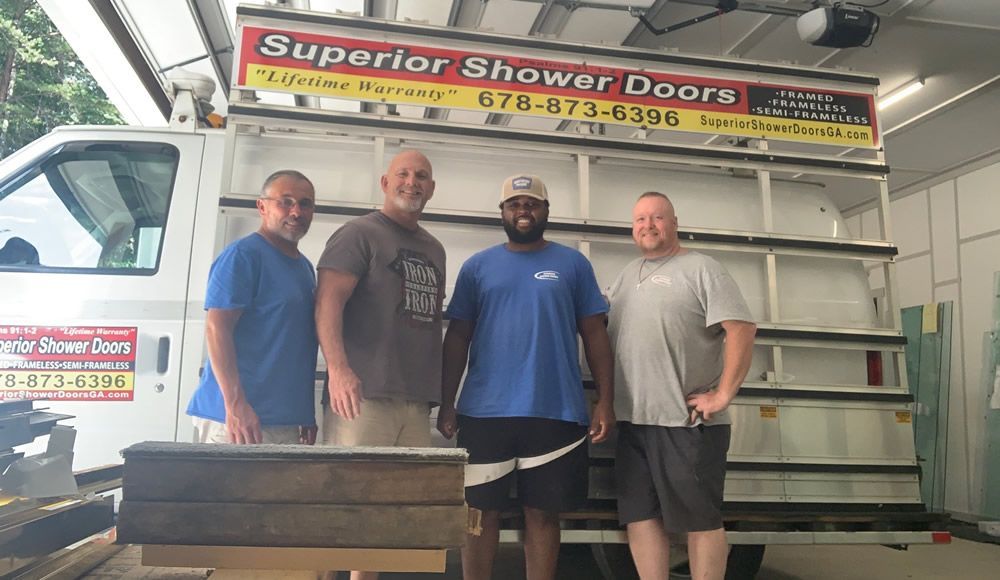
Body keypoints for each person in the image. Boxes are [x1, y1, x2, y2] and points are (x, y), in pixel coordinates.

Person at [438, 174, 615, 580]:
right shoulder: (477, 267)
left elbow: (594, 334)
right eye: (515, 204)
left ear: (546, 211)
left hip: (556, 412)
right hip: (485, 413)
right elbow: (458, 336)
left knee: (544, 516)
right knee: (479, 516)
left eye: (532, 203)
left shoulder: (572, 264)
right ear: (502, 212)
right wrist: (447, 403)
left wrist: (605, 400)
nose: (523, 210)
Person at [607, 191, 756, 580]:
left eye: (657, 218)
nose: (648, 225)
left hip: (687, 423)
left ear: (674, 223)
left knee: (699, 521)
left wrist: (723, 394)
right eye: (640, 219)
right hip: (634, 421)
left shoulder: (703, 268)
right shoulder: (626, 276)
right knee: (641, 518)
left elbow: (741, 328)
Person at [315, 149, 445, 580]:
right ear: (385, 183)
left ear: (431, 188)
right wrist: (337, 369)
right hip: (362, 396)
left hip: (413, 402)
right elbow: (328, 302)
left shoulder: (434, 248)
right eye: (403, 174)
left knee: (391, 512)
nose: (413, 182)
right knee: (348, 507)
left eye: (422, 176)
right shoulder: (359, 234)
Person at [186, 170, 319, 445]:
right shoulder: (243, 256)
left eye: (305, 204)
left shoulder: (305, 268)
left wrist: (304, 411)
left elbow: (296, 344)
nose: (296, 211)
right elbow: (216, 328)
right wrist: (235, 405)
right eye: (286, 201)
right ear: (262, 206)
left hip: (282, 419)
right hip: (237, 422)